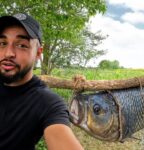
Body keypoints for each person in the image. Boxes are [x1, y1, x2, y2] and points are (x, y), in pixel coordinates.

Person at [0, 13, 84, 150]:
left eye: (21, 45)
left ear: (38, 53)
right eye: (2, 43)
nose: (8, 53)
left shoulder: (47, 103)